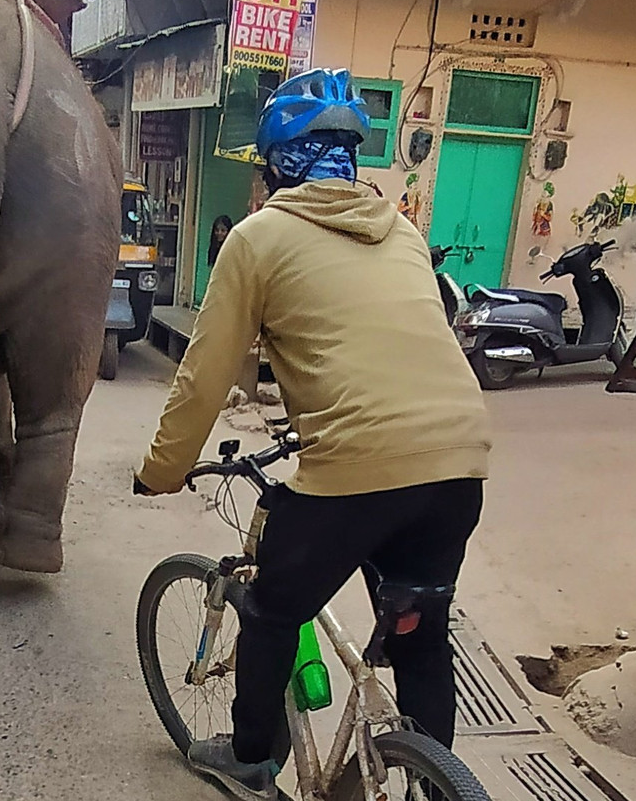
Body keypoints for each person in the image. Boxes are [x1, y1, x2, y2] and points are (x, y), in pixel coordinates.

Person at [133, 67, 490, 801]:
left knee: (272, 608)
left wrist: (163, 471)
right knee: (422, 637)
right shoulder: (406, 234)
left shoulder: (259, 238)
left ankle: (251, 759)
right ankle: (435, 786)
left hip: (356, 468)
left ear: (272, 167)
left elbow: (206, 372)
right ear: (350, 161)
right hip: (459, 463)